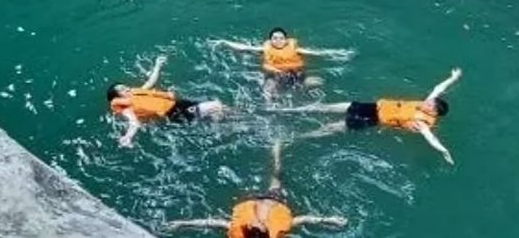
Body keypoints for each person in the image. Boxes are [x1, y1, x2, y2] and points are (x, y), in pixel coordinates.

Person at [276, 67, 463, 164]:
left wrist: (444, 151)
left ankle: (298, 138)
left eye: (430, 104)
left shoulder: (423, 123)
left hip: (372, 120)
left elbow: (430, 138)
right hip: (373, 107)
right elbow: (438, 89)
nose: (426, 102)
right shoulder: (427, 104)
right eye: (429, 101)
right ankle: (291, 111)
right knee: (328, 108)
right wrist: (453, 78)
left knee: (332, 128)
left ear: (433, 112)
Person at [167, 140, 347, 237]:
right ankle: (276, 152)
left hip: (251, 198)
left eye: (253, 225)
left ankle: (276, 151)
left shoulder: (241, 228)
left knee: (276, 174)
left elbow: (215, 223)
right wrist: (330, 219)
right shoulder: (276, 230)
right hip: (275, 199)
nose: (256, 222)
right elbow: (303, 220)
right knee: (277, 176)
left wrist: (184, 223)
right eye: (259, 225)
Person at [107, 55, 226, 147]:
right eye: (122, 90)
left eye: (125, 86)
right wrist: (128, 136)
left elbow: (150, 82)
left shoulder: (135, 93)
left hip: (179, 104)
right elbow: (134, 123)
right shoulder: (126, 109)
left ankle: (224, 128)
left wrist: (157, 65)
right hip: (175, 113)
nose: (127, 88)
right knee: (216, 106)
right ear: (118, 97)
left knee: (217, 112)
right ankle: (226, 128)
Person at [212, 28, 353, 98]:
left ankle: (295, 92)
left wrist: (338, 54)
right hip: (275, 77)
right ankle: (270, 108)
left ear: (286, 40)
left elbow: (318, 53)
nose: (278, 40)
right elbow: (244, 48)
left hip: (296, 78)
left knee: (319, 82)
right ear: (270, 40)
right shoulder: (265, 49)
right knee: (267, 90)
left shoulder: (296, 49)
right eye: (274, 38)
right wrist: (225, 43)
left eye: (281, 38)